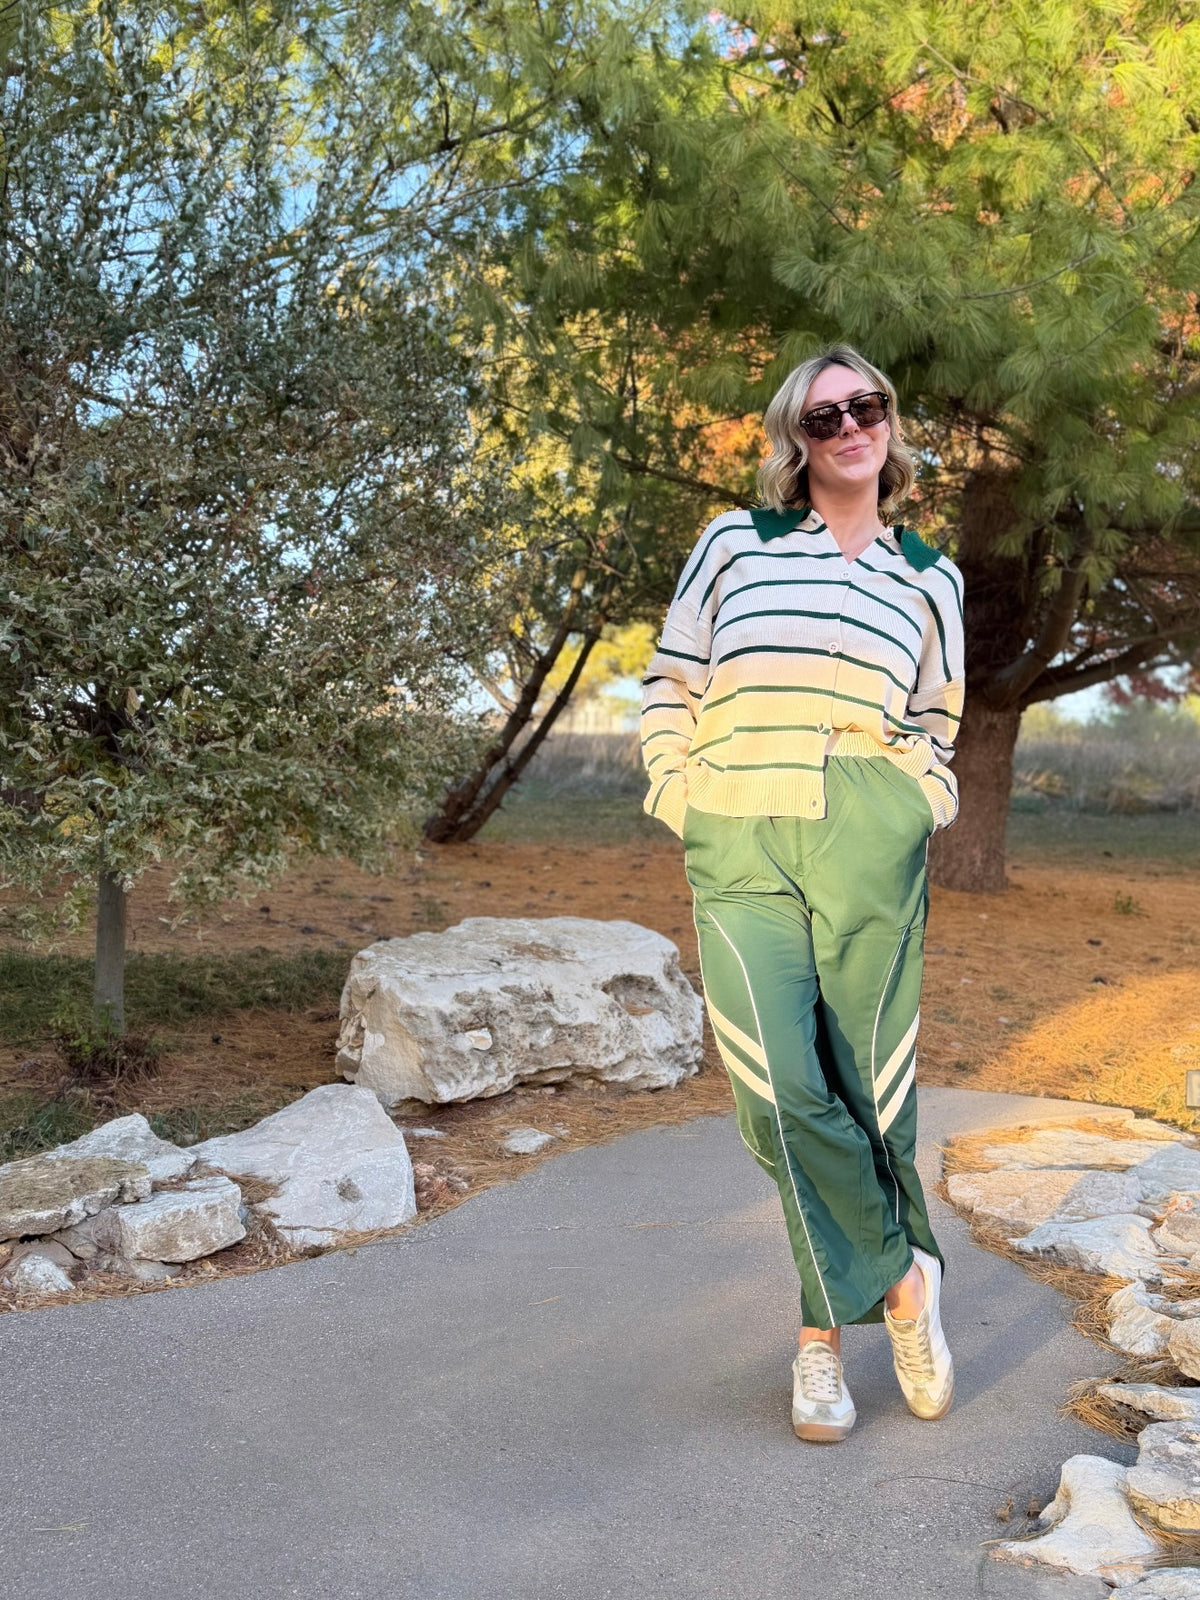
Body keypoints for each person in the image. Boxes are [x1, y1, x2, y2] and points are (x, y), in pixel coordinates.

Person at [640, 343, 964, 1443]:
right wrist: (678, 791)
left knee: (867, 1086)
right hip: (738, 827)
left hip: (866, 831)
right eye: (823, 418)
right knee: (777, 1085)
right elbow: (671, 678)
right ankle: (903, 1283)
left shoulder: (931, 572)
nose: (848, 429)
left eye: (864, 408)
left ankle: (819, 1345)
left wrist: (917, 798)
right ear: (797, 440)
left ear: (889, 422)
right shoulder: (734, 542)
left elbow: (938, 717)